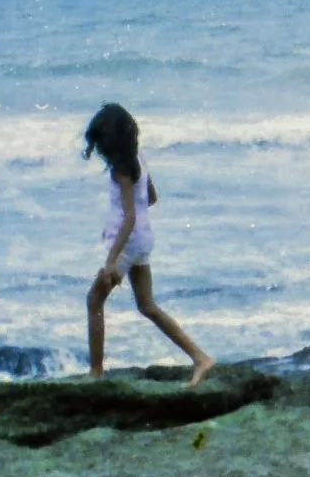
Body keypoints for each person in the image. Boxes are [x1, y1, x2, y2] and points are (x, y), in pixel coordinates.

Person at [82, 102, 215, 386]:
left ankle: (96, 372)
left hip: (128, 243)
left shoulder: (121, 170)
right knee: (147, 305)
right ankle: (201, 358)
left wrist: (111, 261)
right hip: (143, 239)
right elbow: (151, 197)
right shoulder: (138, 157)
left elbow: (129, 217)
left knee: (94, 301)